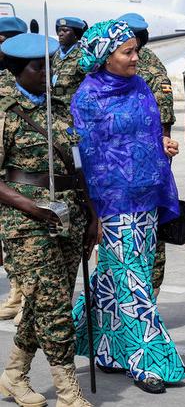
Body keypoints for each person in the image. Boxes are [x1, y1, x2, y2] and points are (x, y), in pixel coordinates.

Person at [70, 19, 185, 394]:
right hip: (111, 204)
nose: (137, 57)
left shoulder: (140, 87)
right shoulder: (87, 99)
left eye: (136, 50)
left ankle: (106, 349)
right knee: (132, 281)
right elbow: (85, 159)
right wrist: (92, 213)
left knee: (115, 278)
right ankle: (148, 361)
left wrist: (163, 144)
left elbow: (146, 133)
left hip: (146, 199)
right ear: (106, 57)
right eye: (128, 52)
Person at [0, 32, 96, 407]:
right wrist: (31, 207)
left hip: (68, 216)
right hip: (26, 224)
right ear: (17, 71)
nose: (46, 73)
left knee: (45, 302)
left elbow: (78, 164)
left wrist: (92, 215)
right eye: (37, 67)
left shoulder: (60, 107)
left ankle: (13, 375)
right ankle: (69, 393)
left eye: (48, 66)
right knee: (54, 307)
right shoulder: (6, 112)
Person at [118, 12, 176, 298]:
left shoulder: (151, 70)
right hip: (116, 168)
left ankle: (149, 294)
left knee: (149, 232)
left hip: (146, 166)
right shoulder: (108, 69)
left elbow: (163, 125)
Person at [0, 16, 28, 323]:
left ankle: (26, 300)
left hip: (18, 173)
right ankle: (16, 292)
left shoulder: (16, 80)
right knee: (7, 238)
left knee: (22, 241)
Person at [52, 17, 87, 105]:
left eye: (65, 31)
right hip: (53, 102)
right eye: (59, 31)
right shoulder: (55, 54)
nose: (60, 34)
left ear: (76, 34)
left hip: (71, 104)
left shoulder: (83, 56)